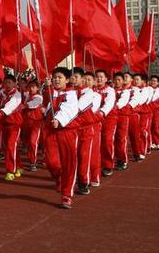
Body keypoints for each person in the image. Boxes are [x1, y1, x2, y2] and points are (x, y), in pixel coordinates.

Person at [44, 67, 79, 209]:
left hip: (66, 131)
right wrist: (47, 88)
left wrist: (58, 119)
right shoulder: (52, 91)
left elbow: (69, 109)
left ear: (67, 80)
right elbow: (45, 103)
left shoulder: (71, 94)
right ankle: (59, 177)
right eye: (55, 77)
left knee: (69, 162)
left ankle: (66, 195)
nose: (56, 79)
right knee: (51, 161)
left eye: (60, 77)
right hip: (51, 130)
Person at [71, 67, 95, 196]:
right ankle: (71, 181)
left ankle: (83, 182)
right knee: (72, 157)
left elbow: (78, 108)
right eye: (72, 77)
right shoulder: (69, 91)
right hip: (72, 129)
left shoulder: (88, 92)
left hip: (85, 130)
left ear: (82, 78)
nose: (73, 79)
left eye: (76, 77)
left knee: (83, 156)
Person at [0, 74, 23, 181]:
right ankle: (19, 165)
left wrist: (1, 112)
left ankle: (10, 170)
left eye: (10, 82)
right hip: (4, 123)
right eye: (6, 83)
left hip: (14, 124)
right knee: (9, 147)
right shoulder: (2, 93)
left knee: (10, 146)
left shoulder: (17, 95)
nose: (7, 85)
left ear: (14, 84)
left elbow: (11, 105)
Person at [96, 69, 117, 177]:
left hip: (108, 119)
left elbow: (108, 104)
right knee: (96, 143)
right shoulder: (92, 90)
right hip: (94, 119)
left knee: (107, 141)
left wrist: (101, 112)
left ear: (106, 79)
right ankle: (97, 165)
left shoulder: (110, 90)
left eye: (101, 77)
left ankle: (108, 165)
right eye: (97, 76)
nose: (98, 79)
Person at [21, 80, 43, 172]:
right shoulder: (26, 95)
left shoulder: (39, 97)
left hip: (36, 123)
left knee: (33, 142)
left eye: (33, 87)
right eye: (29, 87)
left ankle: (33, 162)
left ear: (37, 88)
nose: (31, 89)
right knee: (27, 141)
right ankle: (31, 158)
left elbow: (33, 104)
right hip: (26, 122)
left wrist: (24, 105)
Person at [113, 72, 131, 170]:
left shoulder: (125, 91)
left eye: (119, 80)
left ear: (123, 81)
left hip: (122, 117)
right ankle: (114, 159)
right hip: (111, 117)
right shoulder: (111, 91)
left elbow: (121, 103)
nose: (117, 81)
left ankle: (122, 160)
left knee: (121, 139)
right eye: (115, 79)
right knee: (112, 139)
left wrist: (112, 107)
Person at [149, 75, 159, 149]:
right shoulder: (148, 89)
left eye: (155, 81)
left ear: (158, 83)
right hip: (149, 110)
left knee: (156, 126)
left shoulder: (158, 90)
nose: (153, 82)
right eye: (152, 80)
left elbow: (152, 99)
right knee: (150, 126)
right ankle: (152, 142)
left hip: (157, 110)